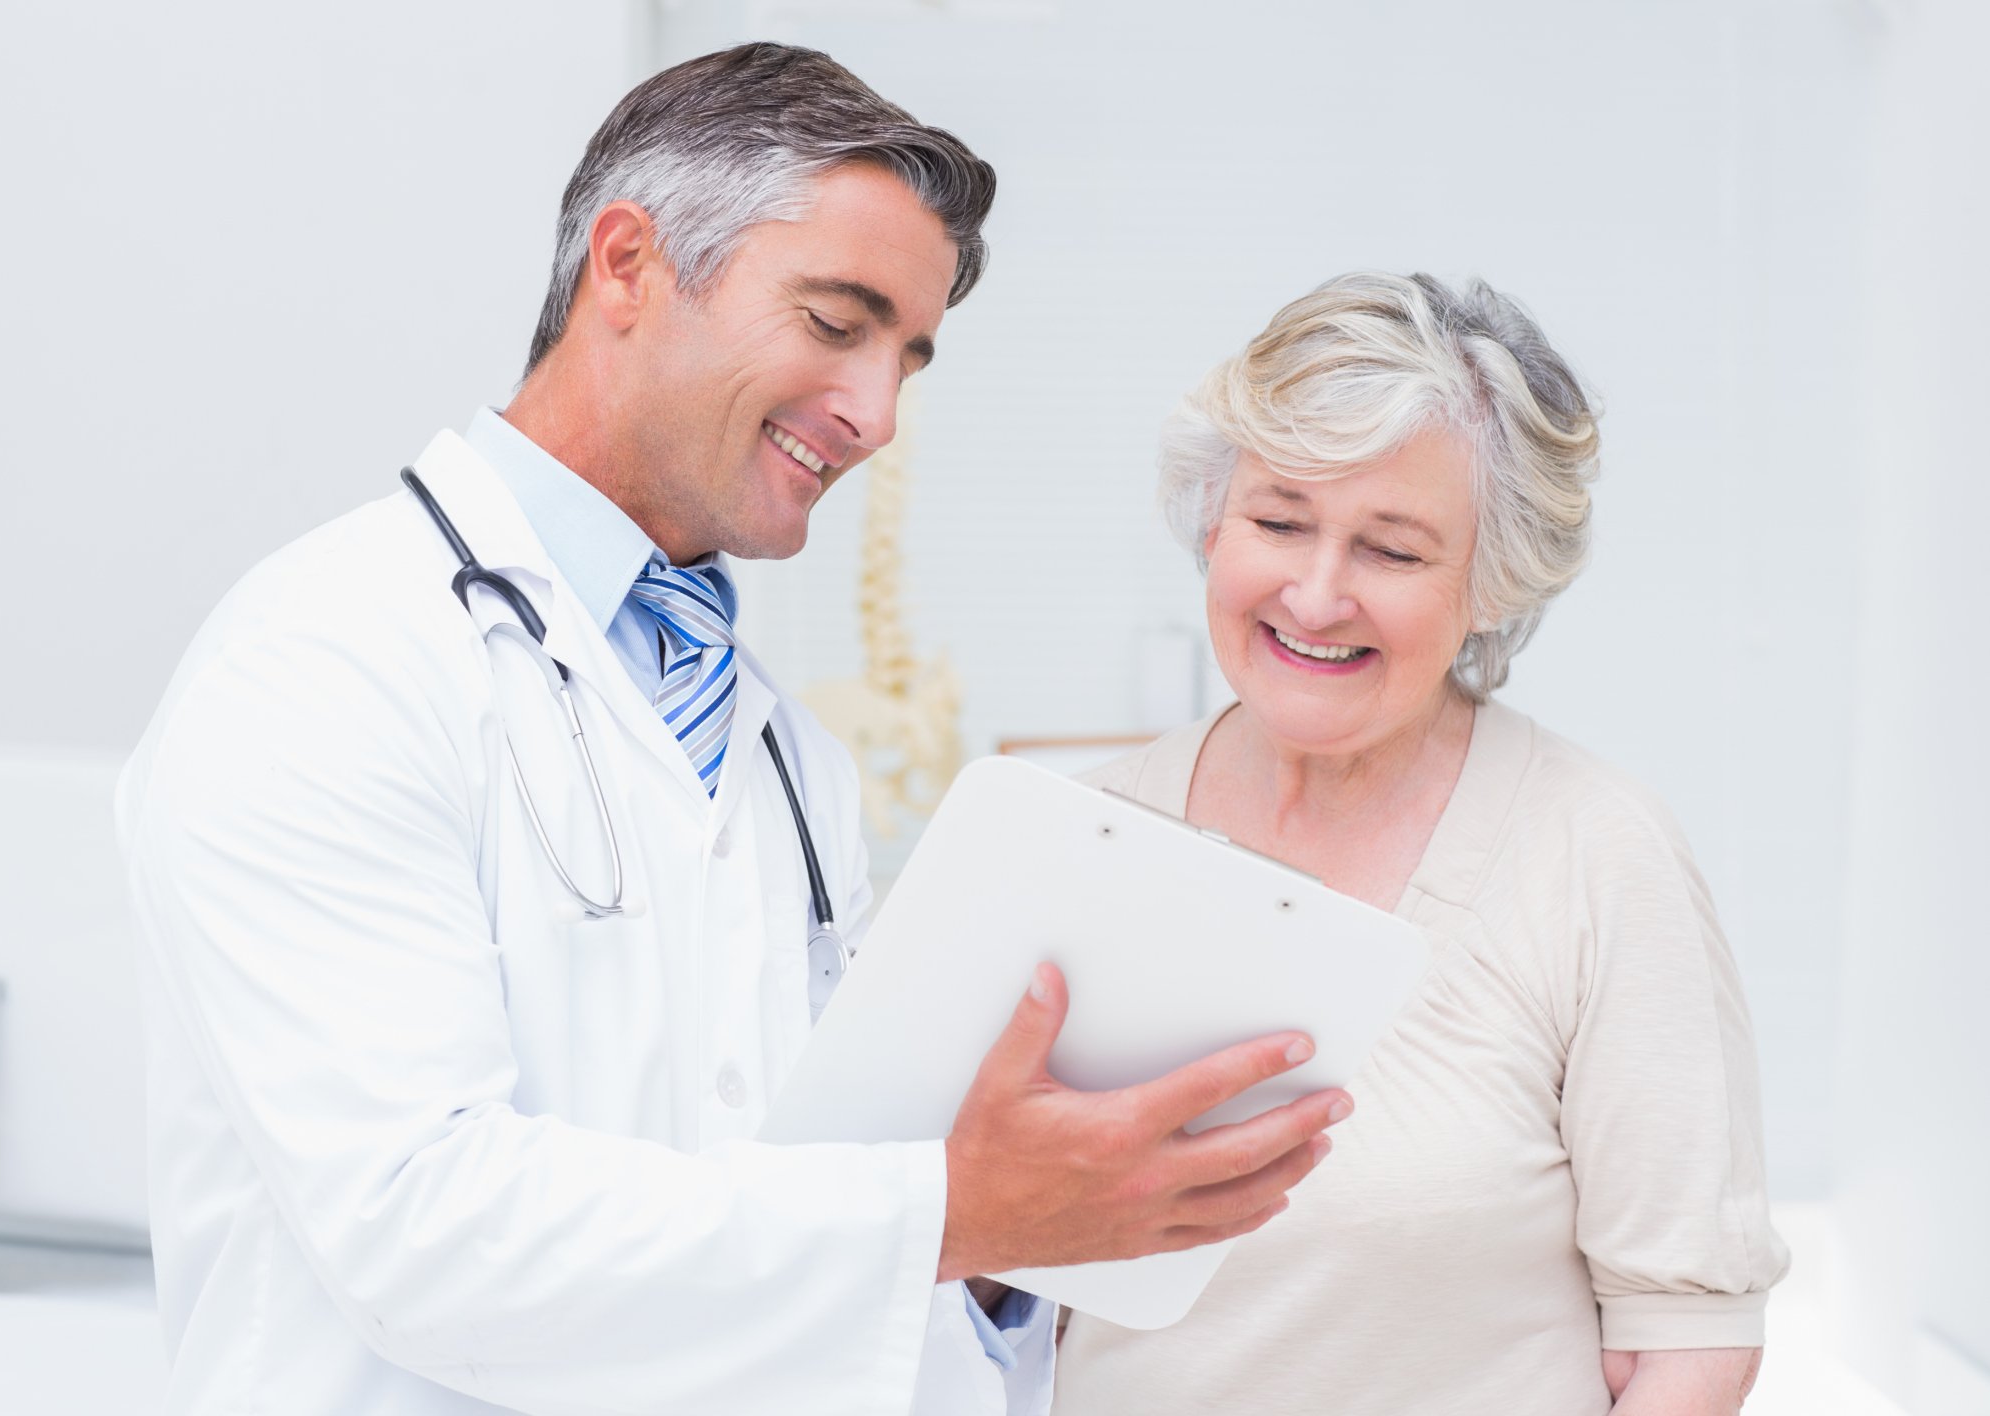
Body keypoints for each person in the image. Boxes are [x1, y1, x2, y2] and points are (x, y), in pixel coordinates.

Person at [116, 43, 1349, 1416]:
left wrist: (1021, 1246)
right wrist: (950, 1215)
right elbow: (421, 1230)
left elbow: (804, 1228)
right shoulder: (327, 660)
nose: (877, 414)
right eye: (836, 323)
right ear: (630, 265)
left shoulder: (777, 754)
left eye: (908, 357)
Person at [1051, 273, 1791, 1416]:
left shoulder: (1596, 854)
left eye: (1391, 551)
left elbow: (1685, 1344)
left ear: (1490, 585)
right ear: (1212, 521)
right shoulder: (1080, 837)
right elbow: (972, 1282)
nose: (1314, 594)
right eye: (1278, 521)